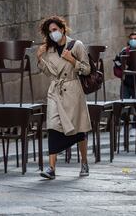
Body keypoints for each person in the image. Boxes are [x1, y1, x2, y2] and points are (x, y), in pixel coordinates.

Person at [36, 16, 91, 179]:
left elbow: (87, 70)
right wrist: (39, 58)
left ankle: (84, 162)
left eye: (55, 30)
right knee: (52, 126)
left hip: (73, 90)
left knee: (79, 129)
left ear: (62, 29)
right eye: (50, 32)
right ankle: (51, 168)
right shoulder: (49, 50)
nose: (53, 34)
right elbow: (48, 73)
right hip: (55, 90)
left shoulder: (77, 45)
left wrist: (72, 60)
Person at [113, 32, 136, 136]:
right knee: (124, 105)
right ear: (129, 40)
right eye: (131, 38)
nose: (133, 40)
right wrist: (124, 68)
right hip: (126, 82)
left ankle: (134, 127)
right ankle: (124, 126)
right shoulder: (124, 51)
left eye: (135, 38)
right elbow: (116, 61)